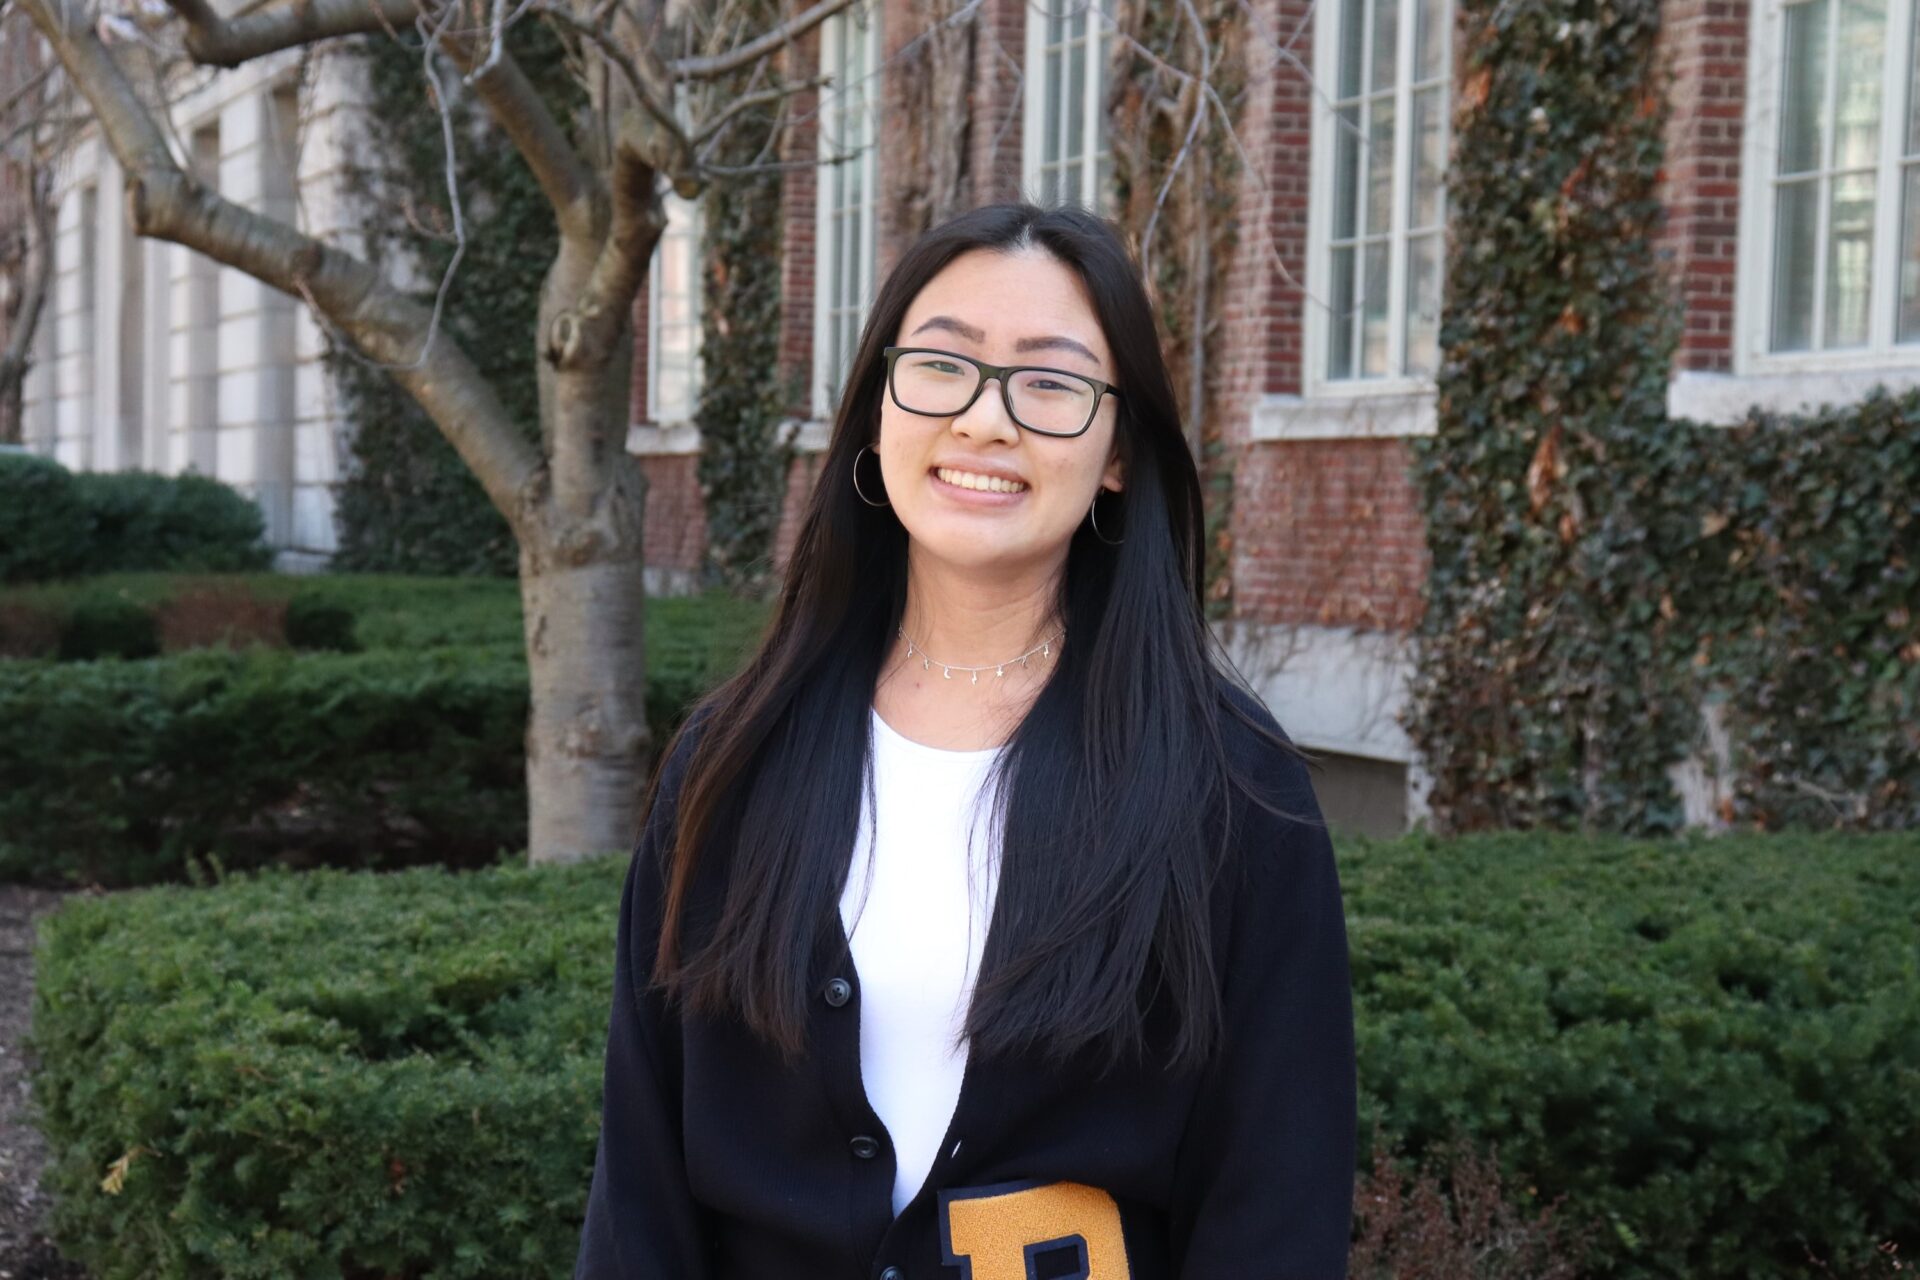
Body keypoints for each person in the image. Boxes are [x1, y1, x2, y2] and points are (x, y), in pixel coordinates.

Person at [573, 202, 1356, 1279]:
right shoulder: (733, 758)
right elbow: (642, 1189)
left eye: (1049, 381)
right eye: (943, 365)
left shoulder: (1229, 782)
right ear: (878, 410)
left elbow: (1274, 1206)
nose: (986, 420)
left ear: (1119, 449)